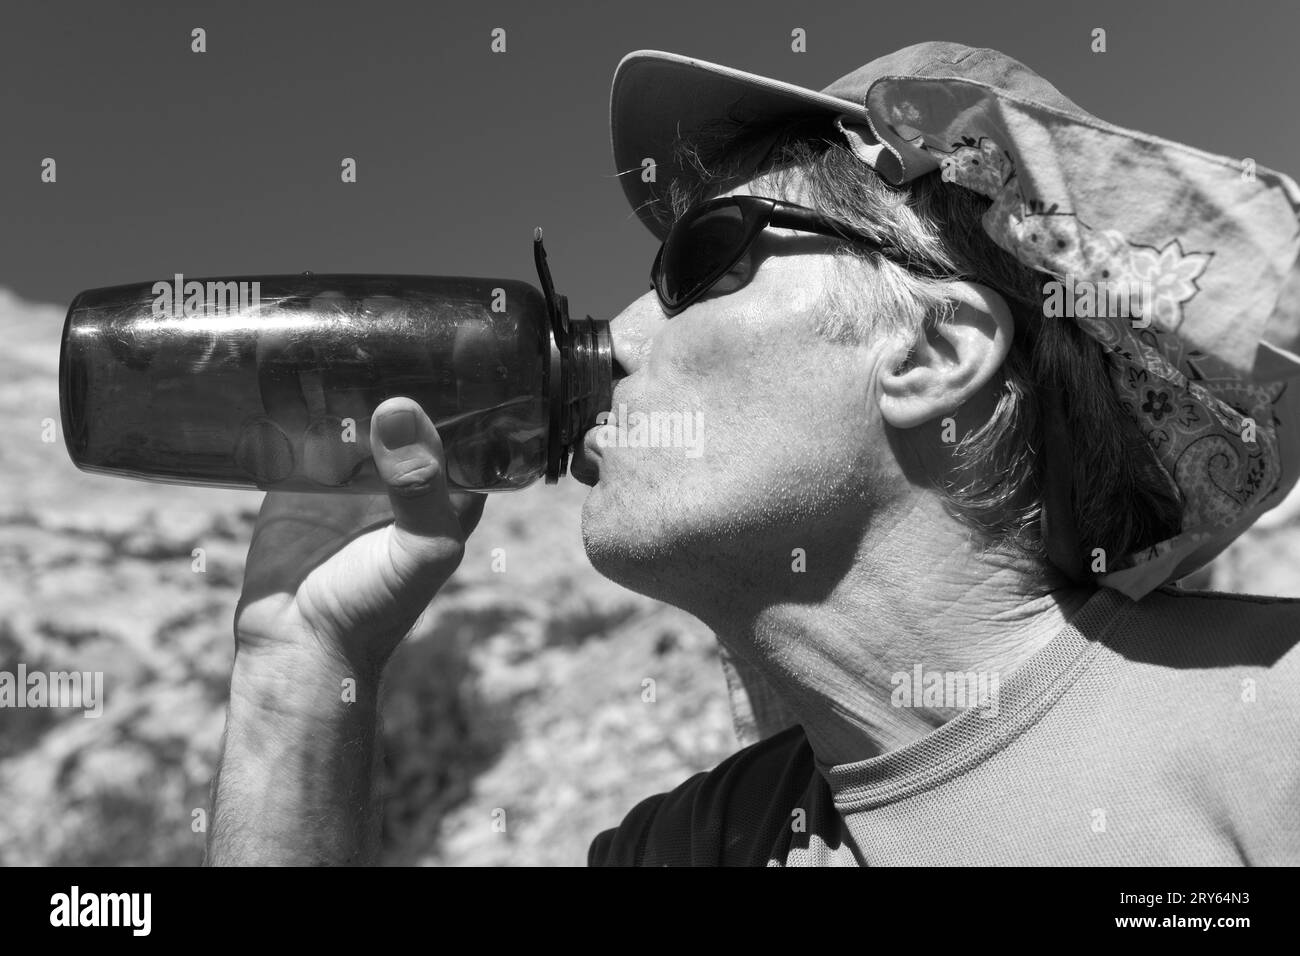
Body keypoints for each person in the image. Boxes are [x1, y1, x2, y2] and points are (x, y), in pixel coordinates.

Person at [205, 42, 1300, 866]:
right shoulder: (693, 847)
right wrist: (302, 671)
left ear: (935, 348)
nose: (618, 339)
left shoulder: (1271, 725)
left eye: (698, 262)